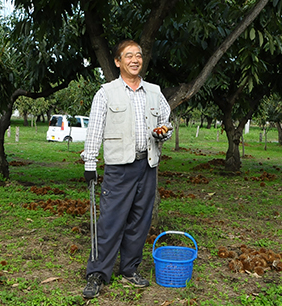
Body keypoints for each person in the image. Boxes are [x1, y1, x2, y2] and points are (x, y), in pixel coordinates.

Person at [80, 39, 172, 299]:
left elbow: (166, 122)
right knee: (110, 221)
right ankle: (97, 273)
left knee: (139, 221)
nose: (135, 59)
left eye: (139, 55)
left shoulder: (154, 91)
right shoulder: (106, 93)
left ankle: (130, 268)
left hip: (148, 164)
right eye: (128, 55)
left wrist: (163, 132)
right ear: (118, 62)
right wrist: (90, 163)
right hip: (119, 168)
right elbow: (95, 129)